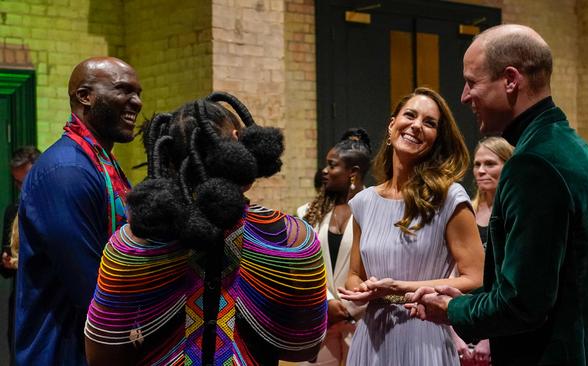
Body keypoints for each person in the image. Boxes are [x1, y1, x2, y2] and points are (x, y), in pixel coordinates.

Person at [406, 24, 588, 366]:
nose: (464, 96)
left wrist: (453, 309)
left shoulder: (532, 164)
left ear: (510, 79)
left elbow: (525, 303)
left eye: (472, 82)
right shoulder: (571, 146)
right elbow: (549, 278)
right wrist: (473, 296)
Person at [84, 92, 328, 365]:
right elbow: (304, 348)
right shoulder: (293, 238)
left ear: (167, 156)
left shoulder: (130, 244)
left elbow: (101, 356)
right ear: (239, 144)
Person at [338, 87, 485, 365]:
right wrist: (362, 289)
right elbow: (354, 274)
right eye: (410, 115)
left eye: (429, 123)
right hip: (371, 338)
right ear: (392, 124)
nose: (416, 126)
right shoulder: (364, 202)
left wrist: (401, 288)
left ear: (436, 140)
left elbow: (476, 276)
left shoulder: (449, 197)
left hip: (424, 335)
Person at [15, 57, 141, 365]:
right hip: (61, 351)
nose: (136, 102)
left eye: (138, 92)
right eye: (123, 90)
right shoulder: (67, 170)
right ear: (86, 96)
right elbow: (93, 288)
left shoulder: (100, 162)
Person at [296, 128, 372, 366]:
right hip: (319, 321)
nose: (325, 171)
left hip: (362, 324)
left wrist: (350, 309)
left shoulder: (377, 210)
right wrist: (329, 303)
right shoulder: (306, 213)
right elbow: (302, 266)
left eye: (332, 166)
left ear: (353, 173)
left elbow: (382, 264)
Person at [452, 137, 513, 366]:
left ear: (508, 165)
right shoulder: (465, 211)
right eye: (477, 165)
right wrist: (453, 332)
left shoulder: (511, 213)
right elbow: (451, 272)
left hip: (496, 323)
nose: (481, 171)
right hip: (463, 318)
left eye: (490, 164)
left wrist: (489, 337)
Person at [0, 146, 40, 366]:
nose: (21, 188)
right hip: (19, 298)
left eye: (25, 181)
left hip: (44, 297)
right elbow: (5, 267)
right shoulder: (11, 210)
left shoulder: (50, 206)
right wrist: (6, 262)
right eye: (17, 183)